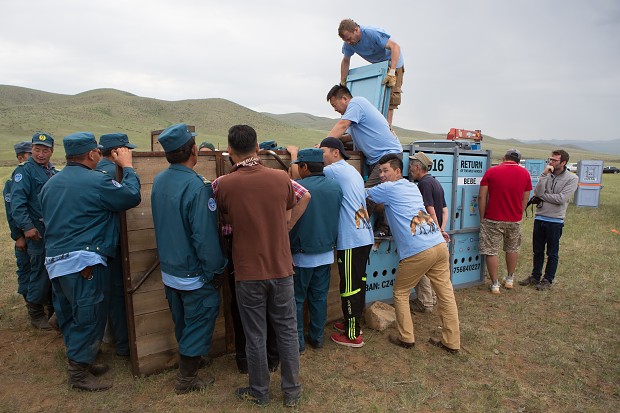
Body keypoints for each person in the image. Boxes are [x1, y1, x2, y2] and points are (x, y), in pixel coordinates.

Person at [213, 124, 309, 407]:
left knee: (255, 335)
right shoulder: (281, 178)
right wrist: (284, 227)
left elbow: (224, 220)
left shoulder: (224, 184)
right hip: (281, 268)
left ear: (230, 151)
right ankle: (291, 392)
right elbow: (298, 201)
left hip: (247, 273)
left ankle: (260, 391)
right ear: (257, 148)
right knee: (288, 333)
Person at [40, 132, 141, 391]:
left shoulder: (51, 183)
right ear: (91, 154)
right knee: (89, 315)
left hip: (55, 262)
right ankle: (78, 374)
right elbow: (130, 197)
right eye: (96, 150)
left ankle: (80, 360)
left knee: (69, 314)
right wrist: (128, 168)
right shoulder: (95, 182)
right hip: (83, 262)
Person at [151, 123, 227, 394]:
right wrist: (216, 269)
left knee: (182, 319)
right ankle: (186, 378)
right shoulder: (197, 186)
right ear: (193, 150)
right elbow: (204, 236)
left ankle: (192, 359)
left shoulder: (160, 180)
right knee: (200, 320)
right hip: (193, 273)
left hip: (170, 270)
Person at [366, 154, 460, 353]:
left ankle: (406, 338)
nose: (381, 175)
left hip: (418, 250)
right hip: (438, 244)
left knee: (400, 292)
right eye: (379, 171)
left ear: (398, 171)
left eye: (385, 171)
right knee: (446, 295)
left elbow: (362, 193)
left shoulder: (388, 188)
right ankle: (452, 342)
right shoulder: (411, 186)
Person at [326, 84, 402, 236]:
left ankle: (355, 231)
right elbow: (349, 136)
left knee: (368, 194)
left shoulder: (356, 103)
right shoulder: (355, 115)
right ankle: (382, 229)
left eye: (335, 105)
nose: (335, 109)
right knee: (381, 194)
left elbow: (342, 125)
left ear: (345, 98)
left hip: (387, 156)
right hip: (378, 158)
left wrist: (324, 144)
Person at [287, 146, 343, 352]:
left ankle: (298, 343)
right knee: (319, 298)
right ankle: (317, 337)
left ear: (304, 167)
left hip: (301, 254)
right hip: (326, 253)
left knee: (296, 299)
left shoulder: (298, 187)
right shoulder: (335, 187)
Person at [319, 137, 373, 348]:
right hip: (363, 236)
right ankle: (352, 322)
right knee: (357, 284)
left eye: (322, 152)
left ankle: (353, 334)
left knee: (349, 287)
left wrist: (295, 155)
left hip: (351, 239)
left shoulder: (334, 170)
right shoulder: (350, 170)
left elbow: (301, 174)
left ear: (335, 153)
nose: (320, 156)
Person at [10, 132, 58, 330]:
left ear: (51, 152)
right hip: (36, 231)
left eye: (44, 150)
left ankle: (52, 310)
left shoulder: (52, 172)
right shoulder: (25, 171)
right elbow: (17, 203)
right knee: (39, 271)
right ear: (31, 150)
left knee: (52, 270)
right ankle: (35, 314)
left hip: (53, 230)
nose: (40, 154)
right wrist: (26, 227)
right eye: (36, 150)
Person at [96, 133, 137, 357]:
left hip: (99, 246)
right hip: (114, 244)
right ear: (116, 152)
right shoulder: (113, 173)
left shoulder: (93, 171)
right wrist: (128, 167)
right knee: (120, 295)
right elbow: (131, 197)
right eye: (125, 149)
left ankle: (112, 338)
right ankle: (124, 345)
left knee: (109, 294)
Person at [520, 150, 578, 291]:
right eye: (550, 159)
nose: (551, 162)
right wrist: (544, 175)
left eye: (554, 160)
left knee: (552, 253)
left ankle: (548, 280)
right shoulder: (546, 174)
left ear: (563, 162)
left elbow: (561, 199)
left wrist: (543, 196)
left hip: (555, 220)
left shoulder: (572, 178)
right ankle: (535, 276)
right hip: (540, 217)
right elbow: (537, 193)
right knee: (537, 250)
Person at [478, 149, 532, 294]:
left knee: (491, 251)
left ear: (504, 158)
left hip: (493, 218)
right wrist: (518, 214)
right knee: (512, 248)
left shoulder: (492, 171)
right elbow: (525, 198)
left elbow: (482, 196)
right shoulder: (525, 173)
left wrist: (482, 216)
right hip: (514, 219)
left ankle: (495, 284)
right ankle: (510, 279)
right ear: (518, 161)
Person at [338, 18, 404, 126]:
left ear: (356, 30)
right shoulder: (348, 44)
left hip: (394, 62)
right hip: (378, 65)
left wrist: (392, 72)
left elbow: (395, 47)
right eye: (346, 40)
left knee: (390, 96)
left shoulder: (372, 33)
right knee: (375, 96)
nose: (348, 42)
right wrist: (343, 82)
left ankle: (387, 127)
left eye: (349, 39)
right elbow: (346, 61)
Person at [409, 151, 450, 313]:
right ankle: (431, 299)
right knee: (431, 269)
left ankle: (425, 303)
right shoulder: (435, 182)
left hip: (428, 233)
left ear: (418, 167)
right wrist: (442, 228)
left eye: (412, 166)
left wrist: (436, 230)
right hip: (436, 232)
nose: (410, 169)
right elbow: (445, 210)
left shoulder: (424, 184)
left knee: (422, 268)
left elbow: (430, 210)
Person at [3, 142, 32, 304]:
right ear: (21, 158)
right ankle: (31, 307)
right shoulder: (12, 181)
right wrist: (18, 236)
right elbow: (12, 211)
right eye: (30, 155)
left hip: (36, 230)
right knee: (25, 268)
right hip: (23, 234)